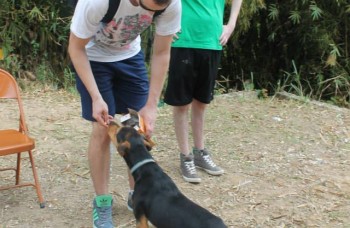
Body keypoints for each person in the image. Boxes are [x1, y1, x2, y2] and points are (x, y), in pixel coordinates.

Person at [68, 0, 181, 227]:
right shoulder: (98, 2)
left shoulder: (171, 3)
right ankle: (102, 202)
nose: (149, 14)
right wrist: (96, 97)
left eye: (154, 12)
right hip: (93, 58)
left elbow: (161, 52)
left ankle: (136, 194)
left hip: (130, 56)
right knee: (102, 129)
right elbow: (75, 48)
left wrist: (151, 105)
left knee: (138, 129)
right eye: (148, 7)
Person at [164, 0, 242, 183]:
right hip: (183, 41)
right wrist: (164, 22)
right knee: (182, 104)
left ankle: (200, 152)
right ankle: (185, 156)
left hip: (212, 42)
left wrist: (231, 24)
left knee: (201, 103)